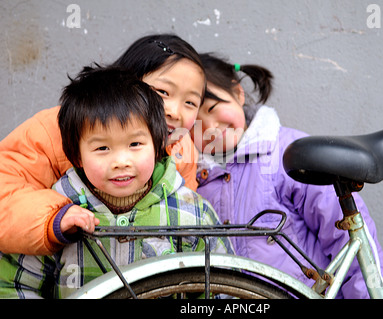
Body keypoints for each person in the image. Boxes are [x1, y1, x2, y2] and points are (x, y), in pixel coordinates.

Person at [0, 66, 233, 299]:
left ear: (157, 145)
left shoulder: (191, 212)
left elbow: (224, 289)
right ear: (77, 156)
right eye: (102, 148)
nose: (121, 162)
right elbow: (14, 286)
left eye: (135, 145)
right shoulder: (59, 217)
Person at [190, 52, 383, 299]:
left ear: (238, 93)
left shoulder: (289, 155)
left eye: (213, 108)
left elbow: (348, 240)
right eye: (195, 123)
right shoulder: (197, 182)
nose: (210, 127)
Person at [0, 34, 204, 256]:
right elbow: (5, 193)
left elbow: (186, 220)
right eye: (162, 92)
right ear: (124, 84)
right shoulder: (52, 131)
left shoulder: (181, 150)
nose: (174, 111)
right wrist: (55, 219)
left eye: (190, 102)